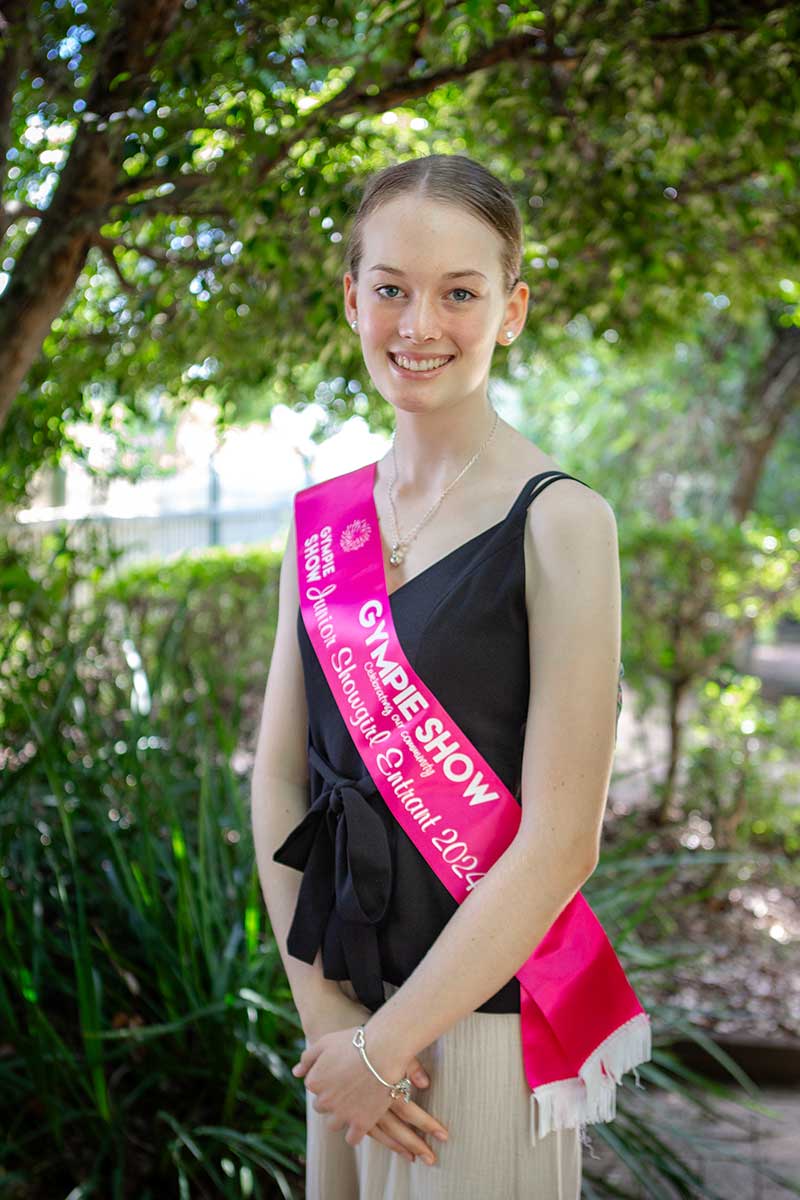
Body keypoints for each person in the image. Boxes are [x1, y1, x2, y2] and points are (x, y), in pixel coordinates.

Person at [252, 153, 625, 1199]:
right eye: (391, 289)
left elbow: (562, 841)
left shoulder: (560, 522)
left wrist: (388, 1049)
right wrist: (331, 1028)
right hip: (345, 1030)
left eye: (457, 292)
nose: (419, 324)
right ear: (351, 299)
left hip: (479, 1037)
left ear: (509, 309)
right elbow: (279, 779)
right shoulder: (318, 524)